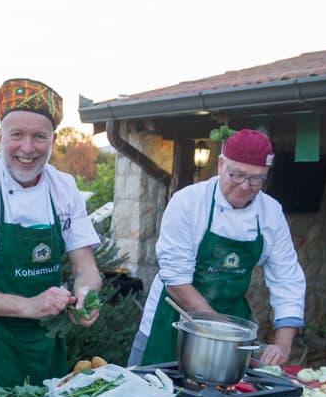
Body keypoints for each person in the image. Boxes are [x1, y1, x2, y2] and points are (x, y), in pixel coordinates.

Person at [0, 78, 102, 397]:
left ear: (53, 140)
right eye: (17, 135)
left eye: (39, 137)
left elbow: (86, 268)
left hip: (46, 342)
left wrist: (85, 295)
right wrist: (30, 305)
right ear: (0, 136)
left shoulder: (63, 188)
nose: (27, 148)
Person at [128, 128, 306, 368]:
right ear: (221, 165)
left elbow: (287, 279)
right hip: (171, 321)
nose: (245, 186)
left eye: (256, 179)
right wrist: (220, 329)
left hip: (231, 324)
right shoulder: (188, 202)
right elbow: (177, 281)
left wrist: (283, 344)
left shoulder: (270, 213)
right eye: (237, 175)